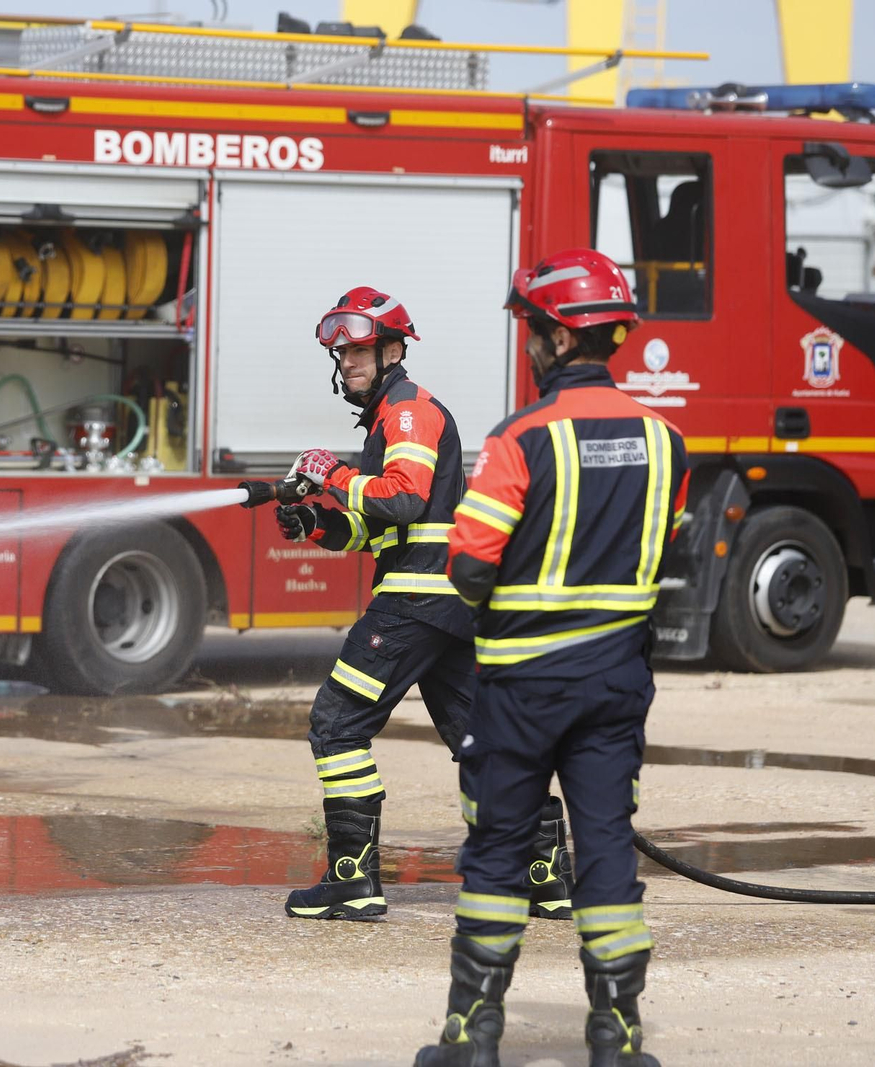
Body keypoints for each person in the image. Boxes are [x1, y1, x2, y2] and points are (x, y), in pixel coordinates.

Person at [415, 249, 689, 1067]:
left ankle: (473, 1037)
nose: (530, 345)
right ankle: (618, 1038)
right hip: (615, 686)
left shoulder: (519, 438)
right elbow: (655, 551)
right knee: (605, 846)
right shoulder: (667, 439)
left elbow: (468, 563)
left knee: (499, 847)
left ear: (560, 338)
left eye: (535, 331)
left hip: (522, 690)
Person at [270, 286, 574, 922]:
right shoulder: (392, 415)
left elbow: (403, 499)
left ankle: (353, 878)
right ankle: (545, 877)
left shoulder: (407, 411)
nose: (347, 363)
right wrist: (317, 524)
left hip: (413, 602)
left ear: (392, 350)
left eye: (359, 351)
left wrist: (331, 474)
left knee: (336, 724)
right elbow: (388, 528)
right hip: (447, 604)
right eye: (341, 354)